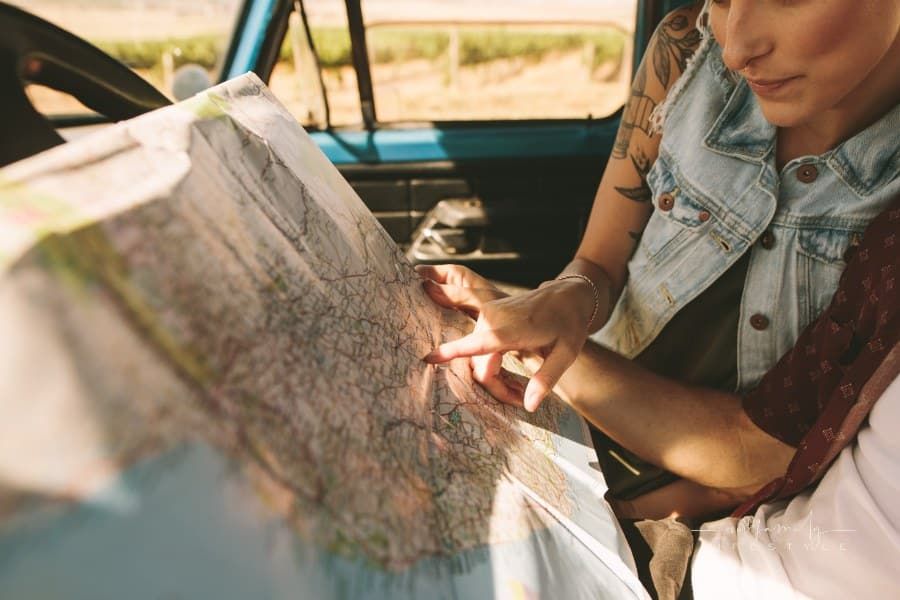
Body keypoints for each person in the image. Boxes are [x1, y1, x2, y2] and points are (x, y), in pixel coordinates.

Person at [419, 0, 900, 503]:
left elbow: (766, 457)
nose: (735, 50)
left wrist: (542, 350)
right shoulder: (684, 49)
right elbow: (600, 264)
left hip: (715, 498)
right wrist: (563, 299)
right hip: (587, 425)